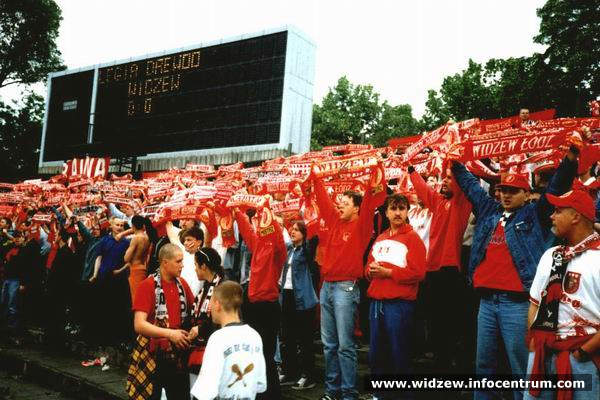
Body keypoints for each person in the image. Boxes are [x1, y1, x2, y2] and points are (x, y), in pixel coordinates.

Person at [451, 147, 578, 400]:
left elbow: (556, 187)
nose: (505, 195)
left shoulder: (535, 214)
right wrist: (455, 164)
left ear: (527, 193)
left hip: (517, 304)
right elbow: (470, 187)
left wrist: (571, 159)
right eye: (502, 190)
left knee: (521, 370)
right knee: (484, 368)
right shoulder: (489, 211)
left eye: (512, 191)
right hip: (486, 303)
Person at [311, 165, 386, 400]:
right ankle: (332, 392)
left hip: (346, 287)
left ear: (357, 208)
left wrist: (373, 173)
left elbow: (372, 199)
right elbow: (323, 199)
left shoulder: (362, 224)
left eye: (345, 203)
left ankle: (349, 393)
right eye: (339, 202)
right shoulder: (334, 221)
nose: (339, 205)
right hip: (327, 288)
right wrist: (316, 177)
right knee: (329, 345)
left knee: (345, 345)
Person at [525, 190, 600, 400]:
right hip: (543, 352)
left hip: (582, 357)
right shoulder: (552, 254)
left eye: (558, 211)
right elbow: (534, 303)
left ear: (575, 216)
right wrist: (535, 339)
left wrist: (583, 352)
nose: (551, 216)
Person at [408, 166, 472, 369]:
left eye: (450, 178)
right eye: (444, 178)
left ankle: (448, 367)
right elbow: (423, 190)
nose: (444, 181)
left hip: (450, 271)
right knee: (434, 322)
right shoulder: (438, 202)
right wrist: (411, 170)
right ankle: (439, 362)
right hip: (432, 270)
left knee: (448, 322)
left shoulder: (461, 203)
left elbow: (463, 181)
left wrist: (455, 164)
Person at [365, 194, 426, 400]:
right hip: (376, 303)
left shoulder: (413, 238)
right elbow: (368, 265)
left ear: (407, 211)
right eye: (393, 208)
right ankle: (379, 395)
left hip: (398, 305)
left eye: (401, 208)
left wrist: (389, 273)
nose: (397, 212)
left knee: (399, 353)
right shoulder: (381, 237)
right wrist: (370, 270)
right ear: (386, 212)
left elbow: (418, 273)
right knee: (376, 354)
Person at [234, 203, 287, 400]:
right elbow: (247, 232)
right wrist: (237, 212)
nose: (260, 228)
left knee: (266, 354)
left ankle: (271, 395)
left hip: (268, 306)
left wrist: (267, 210)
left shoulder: (277, 254)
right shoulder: (258, 246)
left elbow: (279, 242)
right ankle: (256, 392)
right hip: (253, 305)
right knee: (254, 352)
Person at [128, 243, 194, 400]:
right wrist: (170, 333)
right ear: (165, 262)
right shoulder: (148, 285)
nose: (182, 265)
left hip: (177, 355)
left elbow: (193, 313)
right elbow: (139, 324)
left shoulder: (182, 284)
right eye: (178, 261)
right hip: (153, 355)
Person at [190, 281, 266, 400]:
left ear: (218, 304)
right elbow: (260, 384)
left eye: (211, 304)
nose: (209, 309)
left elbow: (204, 391)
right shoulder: (255, 336)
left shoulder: (217, 338)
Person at [278, 221, 319, 390]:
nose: (292, 232)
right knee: (287, 337)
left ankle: (307, 375)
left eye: (296, 230)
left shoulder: (307, 250)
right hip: (286, 295)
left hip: (303, 298)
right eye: (291, 229)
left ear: (304, 233)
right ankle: (289, 370)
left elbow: (315, 239)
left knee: (305, 339)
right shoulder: (288, 249)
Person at [187, 247, 225, 388]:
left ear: (203, 266)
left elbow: (223, 319)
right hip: (199, 347)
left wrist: (201, 329)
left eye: (196, 266)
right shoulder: (206, 287)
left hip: (213, 350)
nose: (195, 269)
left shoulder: (222, 287)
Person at [166, 222, 204, 296]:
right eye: (185, 240)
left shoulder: (204, 256)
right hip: (181, 294)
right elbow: (170, 229)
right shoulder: (181, 251)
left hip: (197, 296)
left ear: (199, 242)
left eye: (189, 240)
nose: (185, 243)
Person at [123, 215, 151, 302]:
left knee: (136, 298)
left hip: (135, 269)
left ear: (133, 226)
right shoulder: (147, 237)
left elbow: (126, 258)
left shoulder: (136, 238)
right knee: (142, 296)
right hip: (143, 267)